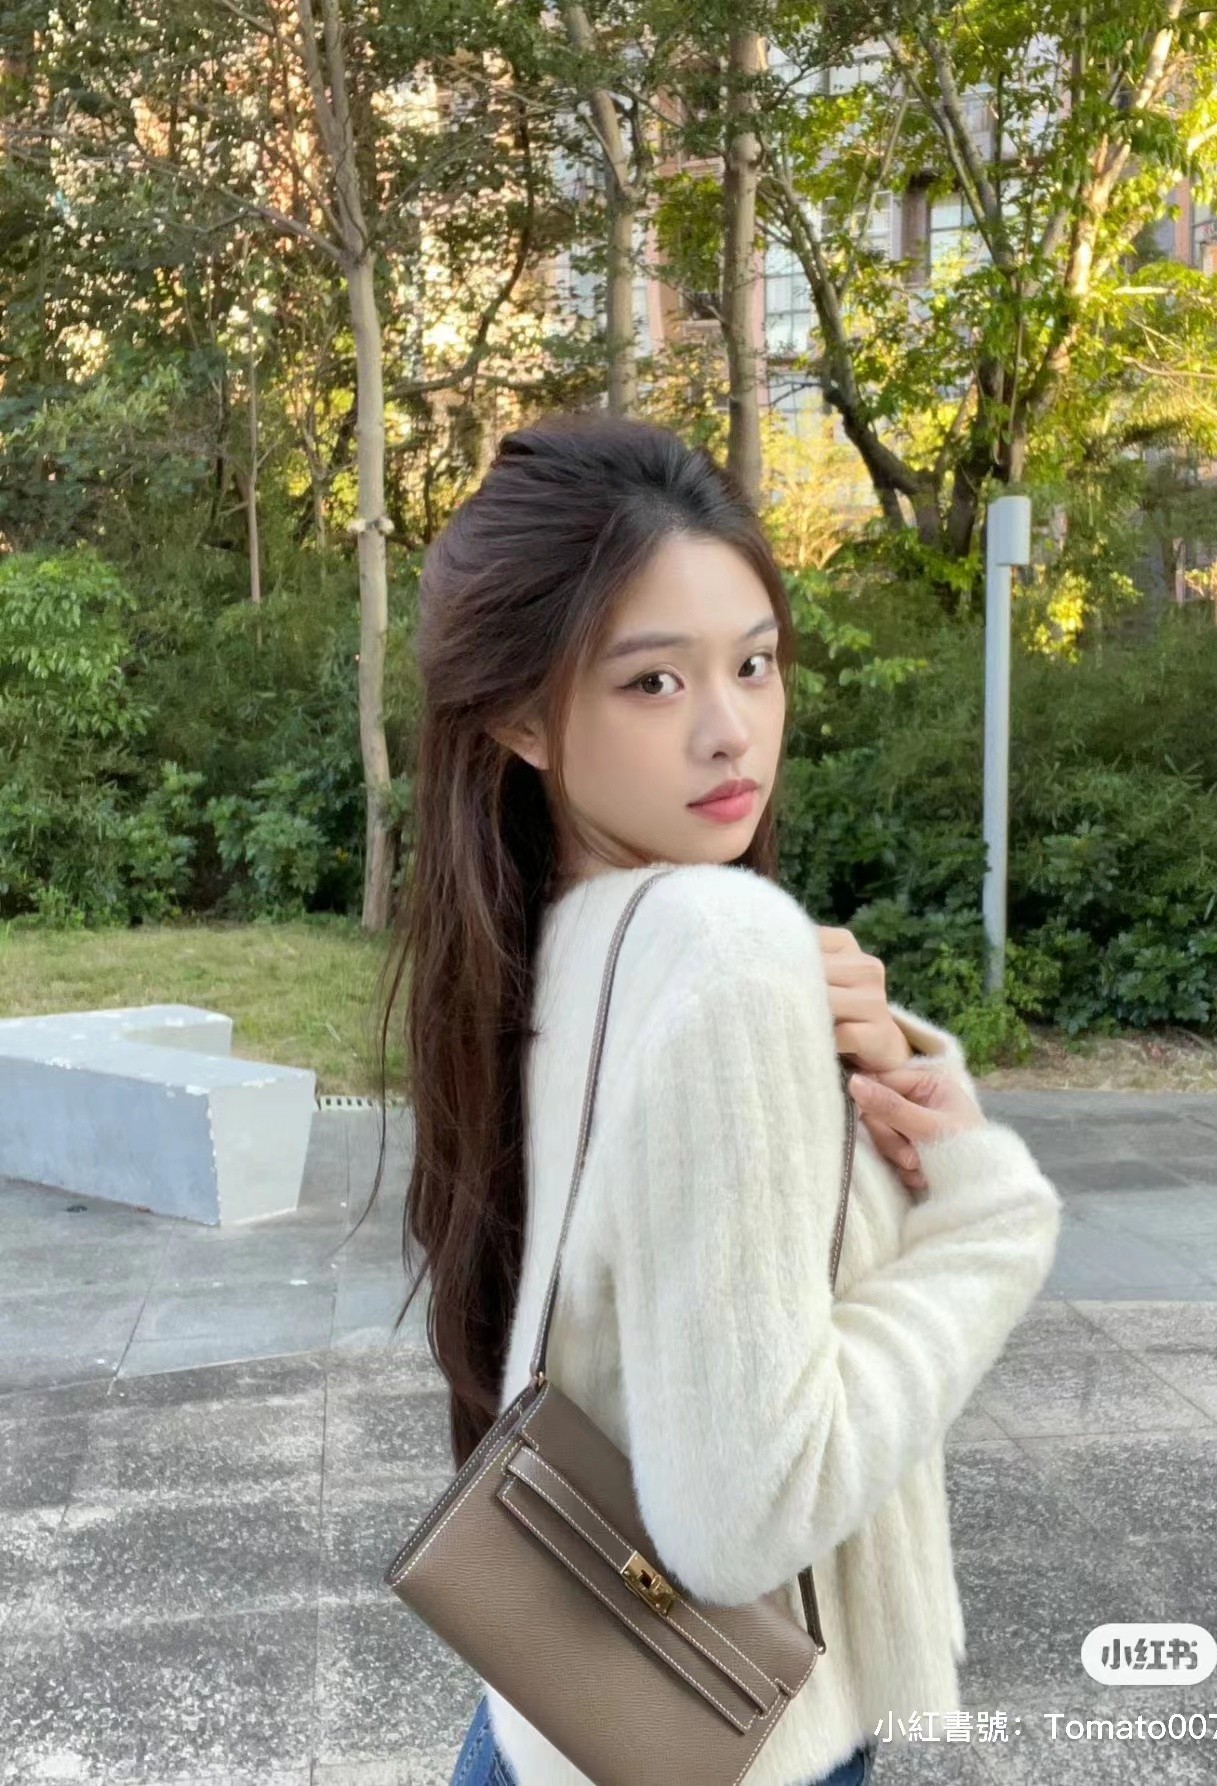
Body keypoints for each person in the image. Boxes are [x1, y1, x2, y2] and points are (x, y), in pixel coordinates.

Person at [362, 409, 1063, 1786]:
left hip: (560, 1715)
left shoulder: (549, 940)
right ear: (521, 717)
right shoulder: (720, 949)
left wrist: (873, 1057)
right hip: (725, 1739)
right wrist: (995, 1225)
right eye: (653, 682)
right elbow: (741, 1521)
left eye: (753, 663)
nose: (731, 729)